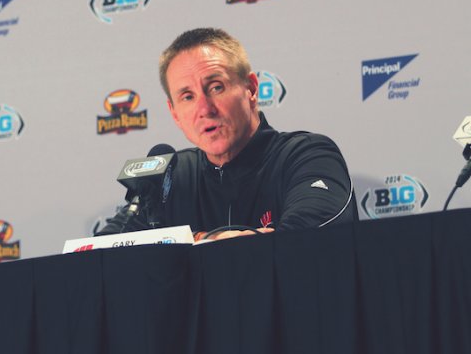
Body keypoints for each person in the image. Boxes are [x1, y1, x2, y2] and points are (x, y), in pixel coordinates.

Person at [98, 28, 356, 240]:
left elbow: (305, 239)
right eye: (187, 97)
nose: (204, 109)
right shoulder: (171, 176)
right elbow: (101, 252)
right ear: (175, 113)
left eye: (216, 87)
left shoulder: (308, 155)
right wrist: (205, 239)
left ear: (251, 89)